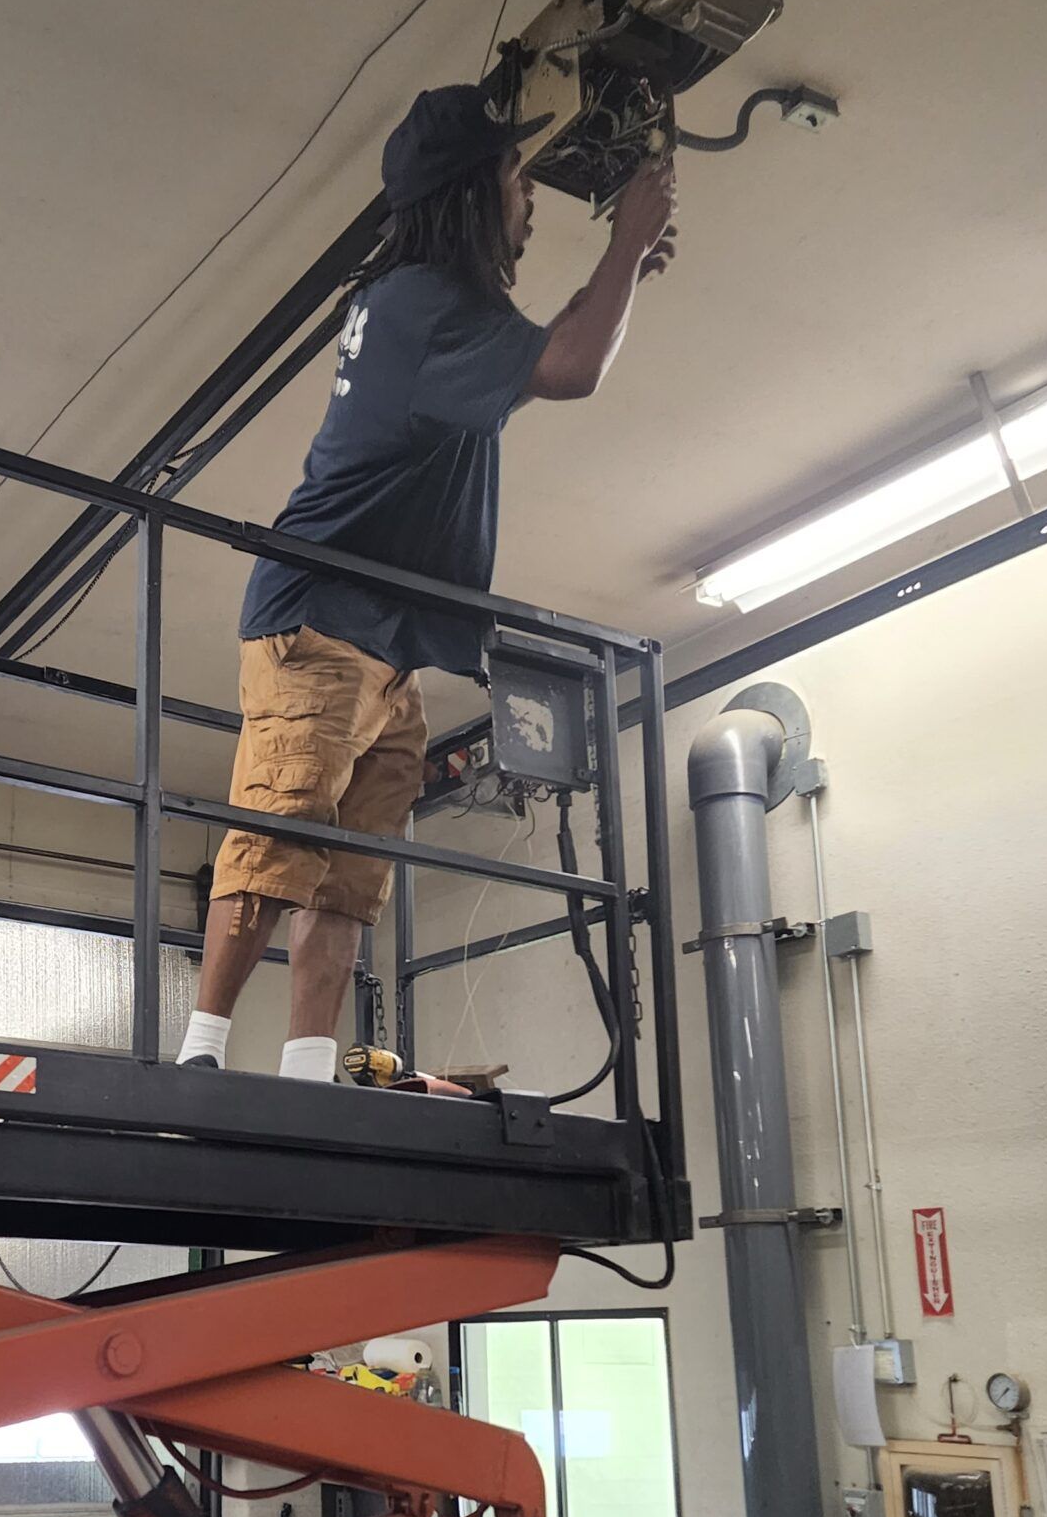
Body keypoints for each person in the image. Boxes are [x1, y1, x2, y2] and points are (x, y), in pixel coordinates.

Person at [176, 81, 676, 1083]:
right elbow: (573, 367)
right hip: (318, 620)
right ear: (472, 188)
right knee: (279, 838)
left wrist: (621, 269)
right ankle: (199, 1056)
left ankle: (309, 1074)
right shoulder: (424, 305)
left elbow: (552, 351)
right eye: (517, 174)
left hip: (388, 645)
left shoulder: (430, 306)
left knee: (348, 884)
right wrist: (625, 241)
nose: (529, 195)